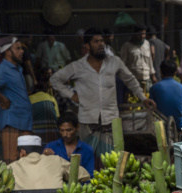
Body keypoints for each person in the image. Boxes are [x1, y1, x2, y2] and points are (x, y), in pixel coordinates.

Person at [50, 27, 156, 162]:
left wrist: (143, 98)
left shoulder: (114, 62)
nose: (101, 44)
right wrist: (71, 95)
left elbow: (130, 80)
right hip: (88, 124)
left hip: (110, 123)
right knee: (86, 162)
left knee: (112, 163)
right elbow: (55, 79)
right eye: (96, 41)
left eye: (102, 41)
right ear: (87, 45)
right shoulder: (78, 66)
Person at [0, 36, 33, 164]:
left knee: (26, 161)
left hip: (24, 120)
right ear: (7, 51)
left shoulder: (17, 68)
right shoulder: (3, 69)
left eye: (21, 48)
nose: (22, 51)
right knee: (11, 162)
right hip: (12, 120)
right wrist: (3, 100)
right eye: (17, 48)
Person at [44, 112, 95, 178]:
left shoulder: (87, 150)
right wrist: (44, 156)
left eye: (69, 130)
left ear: (77, 127)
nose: (65, 134)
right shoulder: (51, 147)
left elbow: (89, 176)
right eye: (62, 130)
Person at [149, 60, 182, 130]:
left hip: (160, 125)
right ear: (175, 73)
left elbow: (151, 108)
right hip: (179, 124)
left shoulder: (154, 88)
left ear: (160, 72)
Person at [121, 24, 157, 92]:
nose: (142, 36)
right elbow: (122, 64)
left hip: (146, 78)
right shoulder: (127, 46)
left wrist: (153, 75)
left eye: (144, 34)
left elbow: (150, 61)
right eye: (140, 34)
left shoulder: (147, 43)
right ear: (134, 34)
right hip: (134, 79)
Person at [29, 81, 59, 146]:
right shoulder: (51, 98)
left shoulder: (29, 99)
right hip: (51, 135)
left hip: (36, 135)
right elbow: (57, 116)